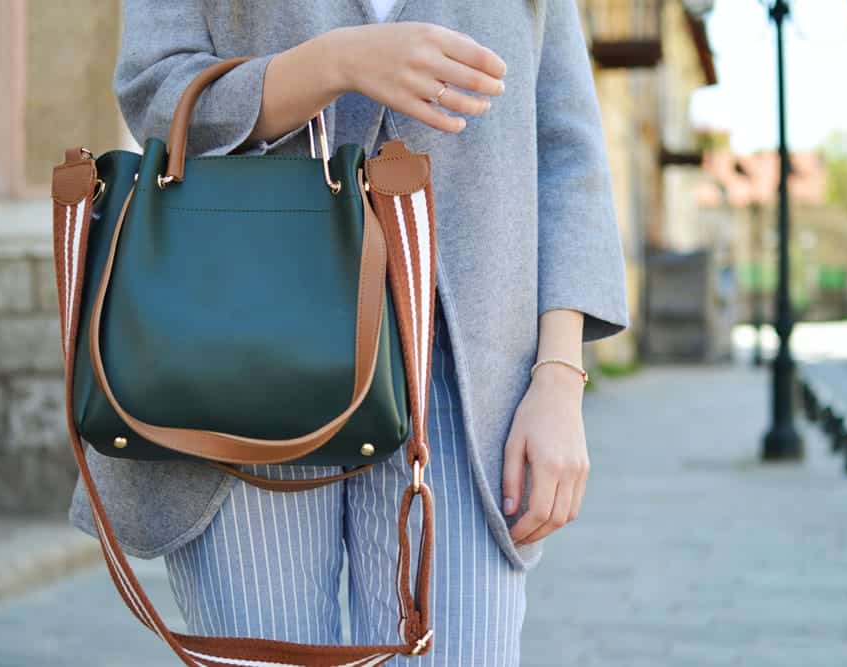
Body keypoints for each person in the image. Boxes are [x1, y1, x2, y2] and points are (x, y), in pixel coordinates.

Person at [69, 1, 630, 664]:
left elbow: (565, 149)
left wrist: (560, 376)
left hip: (462, 369)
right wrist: (336, 63)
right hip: (239, 347)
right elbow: (156, 93)